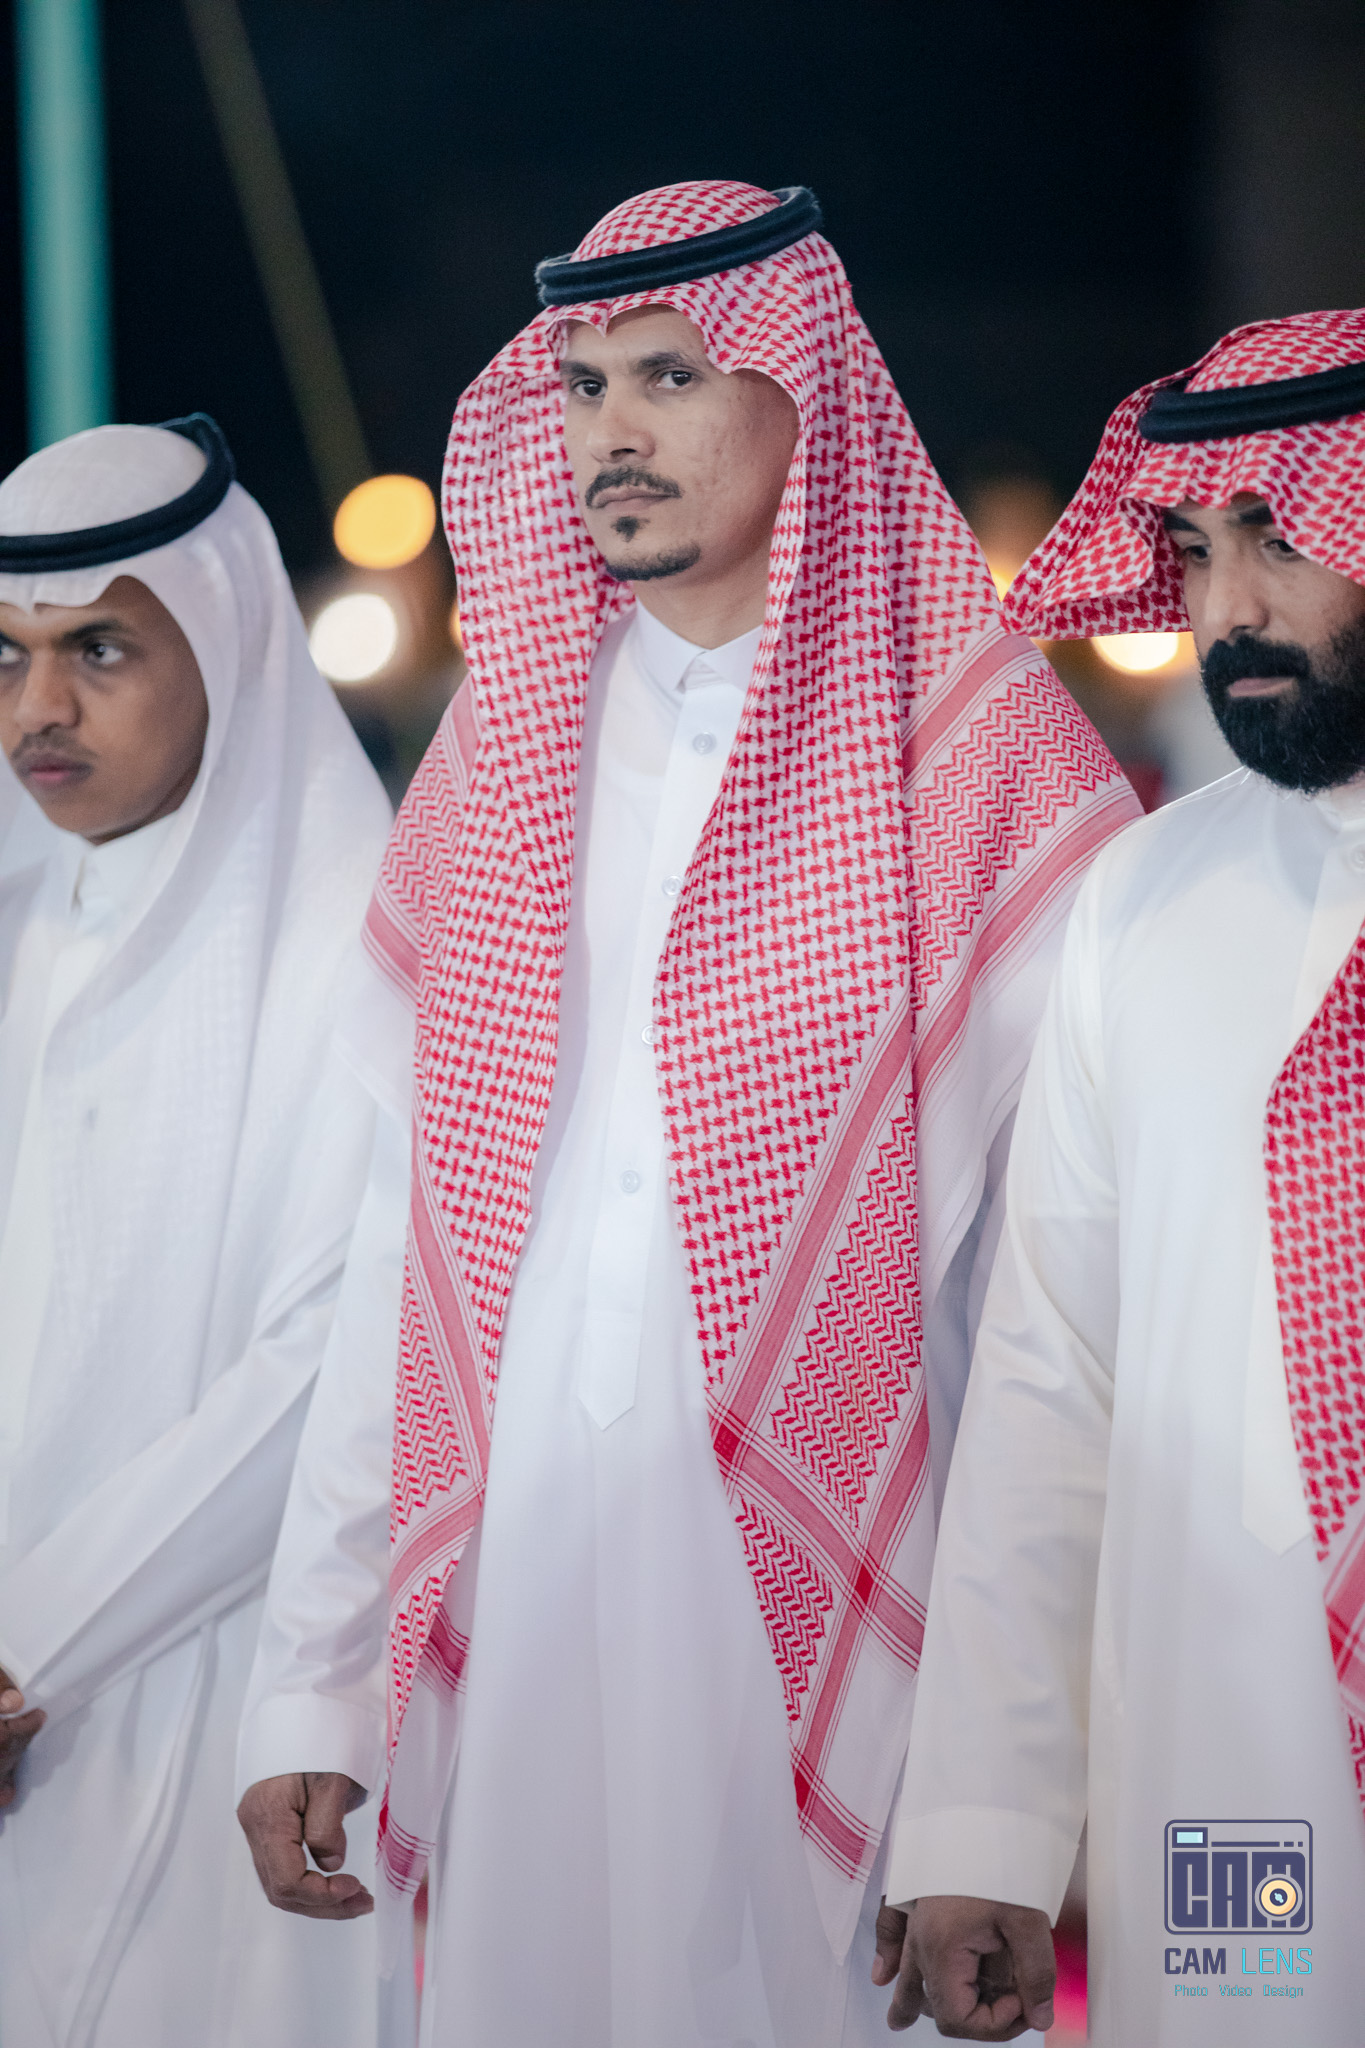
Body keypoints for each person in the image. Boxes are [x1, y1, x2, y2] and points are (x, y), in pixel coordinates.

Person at [235, 181, 1136, 2048]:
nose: (612, 433)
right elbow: (410, 1253)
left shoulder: (979, 760)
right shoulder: (503, 748)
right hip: (523, 1572)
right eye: (580, 387)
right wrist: (314, 1676)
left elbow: (1053, 1321)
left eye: (670, 375)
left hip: (858, 1593)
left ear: (809, 396)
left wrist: (994, 1791)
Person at [879, 307, 1365, 2045]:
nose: (1222, 610)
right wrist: (986, 1824)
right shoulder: (1143, 901)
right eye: (1193, 549)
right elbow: (1049, 1378)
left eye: (1278, 540)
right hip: (1232, 1761)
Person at [0, 418, 397, 2047]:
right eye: (7, 655)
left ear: (225, 648)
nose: (38, 707)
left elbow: (329, 1370)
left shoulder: (356, 941)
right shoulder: (31, 921)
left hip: (236, 1677)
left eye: (99, 649)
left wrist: (36, 1643)